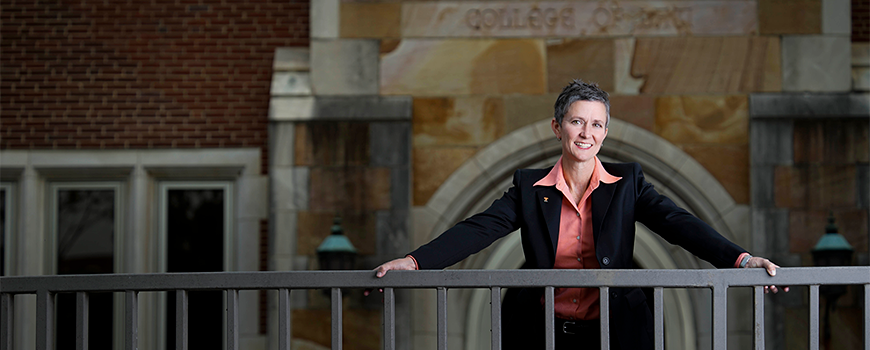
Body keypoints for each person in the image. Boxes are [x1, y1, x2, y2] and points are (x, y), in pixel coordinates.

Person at [371, 80, 785, 350]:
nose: (587, 133)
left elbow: (678, 223)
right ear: (557, 127)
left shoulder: (628, 183)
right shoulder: (528, 188)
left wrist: (742, 260)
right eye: (577, 122)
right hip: (545, 333)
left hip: (616, 331)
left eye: (597, 125)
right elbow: (479, 229)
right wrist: (413, 262)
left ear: (605, 132)